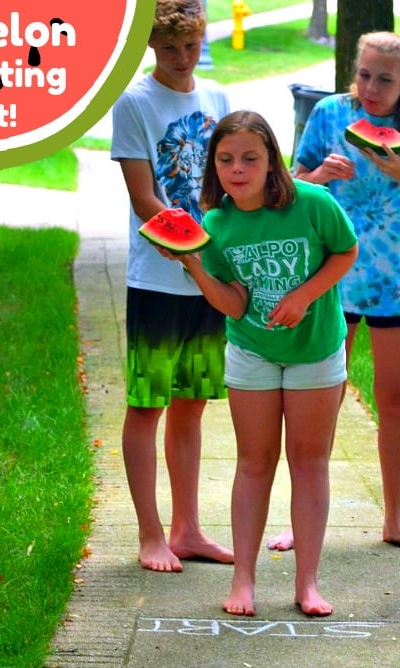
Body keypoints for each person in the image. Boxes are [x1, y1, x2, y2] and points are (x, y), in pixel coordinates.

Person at [160, 111, 357, 616]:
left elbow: (346, 251)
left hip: (315, 349)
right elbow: (234, 304)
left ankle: (307, 583)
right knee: (254, 462)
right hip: (252, 351)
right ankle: (243, 580)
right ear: (215, 167)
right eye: (226, 160)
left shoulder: (314, 203)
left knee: (309, 462)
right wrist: (194, 265)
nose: (238, 168)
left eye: (250, 157)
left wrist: (306, 294)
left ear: (272, 160)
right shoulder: (217, 224)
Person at [269, 32, 400, 555]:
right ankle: (300, 523)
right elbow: (289, 188)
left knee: (396, 403)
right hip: (332, 278)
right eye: (365, 76)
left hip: (398, 282)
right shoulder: (330, 114)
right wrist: (318, 175)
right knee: (321, 402)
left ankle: (396, 520)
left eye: (385, 80)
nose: (371, 89)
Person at [110, 0, 233, 573]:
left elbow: (231, 182)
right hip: (158, 281)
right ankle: (150, 534)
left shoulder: (217, 98)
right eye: (168, 49)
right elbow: (143, 198)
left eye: (190, 47)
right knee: (147, 405)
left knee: (191, 408)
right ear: (151, 47)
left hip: (209, 281)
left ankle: (188, 530)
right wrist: (185, 252)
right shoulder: (135, 102)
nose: (182, 59)